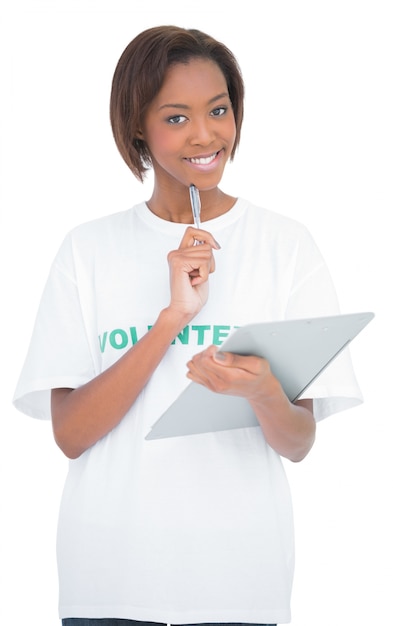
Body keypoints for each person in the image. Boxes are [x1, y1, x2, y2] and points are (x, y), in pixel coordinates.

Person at [13, 25, 363, 626]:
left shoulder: (286, 245)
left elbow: (300, 445)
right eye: (176, 118)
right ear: (137, 130)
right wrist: (171, 321)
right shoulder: (88, 249)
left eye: (219, 110)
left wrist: (260, 389)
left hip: (239, 576)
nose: (206, 136)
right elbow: (69, 434)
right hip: (109, 578)